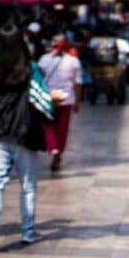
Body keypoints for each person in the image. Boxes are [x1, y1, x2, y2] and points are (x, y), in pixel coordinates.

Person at [0, 22, 54, 253]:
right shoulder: (30, 68)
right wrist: (53, 102)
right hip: (23, 134)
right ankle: (28, 231)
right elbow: (44, 103)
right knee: (28, 185)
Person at [38, 35, 81, 171]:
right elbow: (78, 83)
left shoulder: (44, 60)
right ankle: (58, 152)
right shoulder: (73, 61)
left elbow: (38, 79)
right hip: (66, 99)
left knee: (48, 126)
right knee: (62, 129)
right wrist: (78, 101)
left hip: (48, 98)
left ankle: (53, 148)